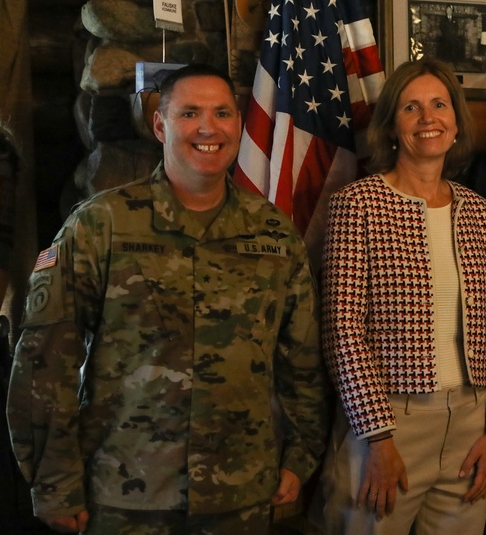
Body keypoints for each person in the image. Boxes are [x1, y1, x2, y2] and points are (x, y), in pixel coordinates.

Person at [6, 64, 328, 533]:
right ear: (160, 125)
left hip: (240, 490)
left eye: (222, 113)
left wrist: (301, 455)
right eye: (189, 113)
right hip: (127, 493)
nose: (207, 127)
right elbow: (44, 361)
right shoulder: (102, 225)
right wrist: (54, 482)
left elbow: (301, 358)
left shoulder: (274, 233)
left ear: (238, 125)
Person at [319, 58, 486, 534]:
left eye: (439, 105)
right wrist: (379, 438)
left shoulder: (478, 212)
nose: (428, 118)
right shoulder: (359, 203)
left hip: (472, 421)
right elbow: (341, 330)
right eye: (412, 108)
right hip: (389, 423)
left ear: (455, 123)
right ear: (391, 127)